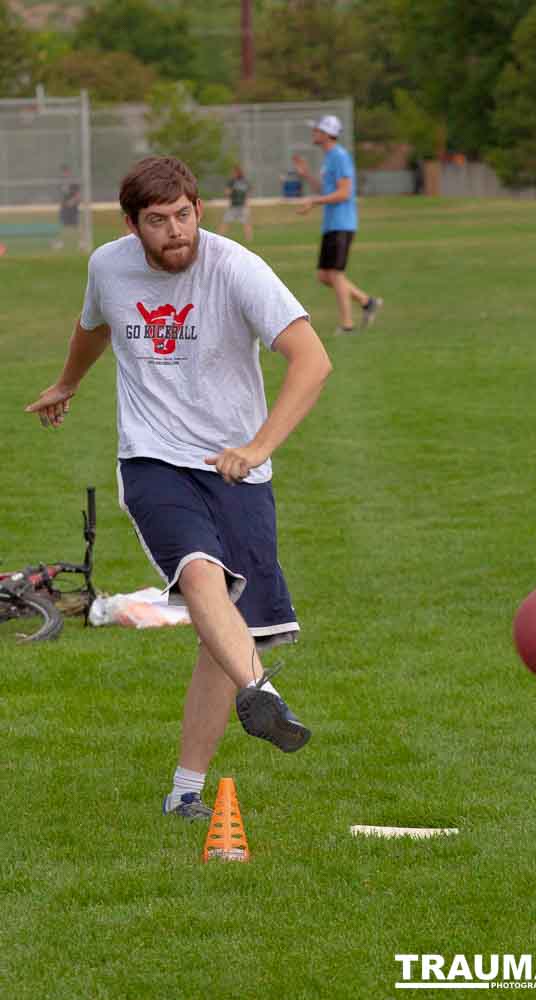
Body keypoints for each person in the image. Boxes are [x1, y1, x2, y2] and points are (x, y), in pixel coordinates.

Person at [26, 156, 332, 820]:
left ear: (200, 210)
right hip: (154, 458)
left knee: (220, 634)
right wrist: (68, 381)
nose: (174, 232)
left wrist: (257, 448)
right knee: (201, 577)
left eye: (184, 215)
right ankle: (264, 694)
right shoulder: (109, 267)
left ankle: (185, 790)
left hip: (239, 466)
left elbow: (312, 358)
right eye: (157, 221)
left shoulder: (236, 268)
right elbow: (94, 324)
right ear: (133, 225)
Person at [292, 114, 382, 334]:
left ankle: (347, 325)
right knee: (324, 275)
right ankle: (366, 302)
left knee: (335, 274)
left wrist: (314, 202)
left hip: (342, 223)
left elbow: (343, 193)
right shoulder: (330, 157)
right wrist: (307, 176)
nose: (314, 133)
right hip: (331, 224)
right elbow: (327, 191)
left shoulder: (340, 156)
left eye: (317, 130)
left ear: (326, 134)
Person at [220, 164, 252, 243]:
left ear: (238, 172)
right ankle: (219, 238)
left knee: (246, 223)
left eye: (234, 172)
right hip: (233, 206)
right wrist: (229, 192)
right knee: (225, 222)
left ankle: (249, 239)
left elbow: (248, 192)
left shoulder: (244, 181)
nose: (233, 174)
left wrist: (247, 203)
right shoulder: (231, 181)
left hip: (242, 206)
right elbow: (227, 192)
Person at [53, 165, 81, 251]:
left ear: (69, 172)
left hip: (72, 207)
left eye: (66, 172)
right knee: (62, 225)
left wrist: (72, 202)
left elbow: (78, 194)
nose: (64, 174)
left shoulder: (73, 182)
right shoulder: (61, 183)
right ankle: (60, 242)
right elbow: (61, 195)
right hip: (64, 207)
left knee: (76, 225)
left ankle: (81, 242)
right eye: (63, 172)